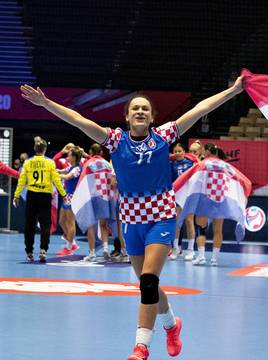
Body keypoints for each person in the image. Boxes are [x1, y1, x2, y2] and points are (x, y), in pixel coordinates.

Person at [20, 75, 244, 360]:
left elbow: (200, 109)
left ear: (152, 118)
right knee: (147, 283)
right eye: (135, 108)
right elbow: (77, 119)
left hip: (161, 217)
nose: (140, 111)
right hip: (131, 222)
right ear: (126, 116)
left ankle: (141, 346)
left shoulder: (163, 137)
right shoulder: (114, 141)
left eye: (145, 109)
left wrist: (233, 91)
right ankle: (172, 325)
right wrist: (45, 102)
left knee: (149, 280)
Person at [13, 136, 68, 262]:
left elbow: (22, 181)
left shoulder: (28, 162)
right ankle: (43, 250)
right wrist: (63, 194)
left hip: (32, 195)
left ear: (34, 148)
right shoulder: (50, 162)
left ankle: (29, 252)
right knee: (45, 225)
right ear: (44, 149)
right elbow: (56, 179)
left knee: (29, 225)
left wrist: (16, 195)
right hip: (45, 196)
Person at [169, 143, 197, 260]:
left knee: (189, 221)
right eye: (175, 151)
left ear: (184, 152)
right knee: (177, 222)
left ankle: (190, 250)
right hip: (177, 194)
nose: (177, 153)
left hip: (188, 194)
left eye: (179, 151)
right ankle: (175, 248)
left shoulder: (191, 163)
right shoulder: (171, 164)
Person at [56, 147, 83, 255]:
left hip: (73, 197)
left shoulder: (77, 169)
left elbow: (66, 177)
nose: (67, 157)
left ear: (74, 157)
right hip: (67, 197)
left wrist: (54, 176)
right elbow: (60, 171)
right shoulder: (71, 167)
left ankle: (68, 247)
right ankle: (73, 243)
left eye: (69, 155)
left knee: (70, 223)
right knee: (62, 221)